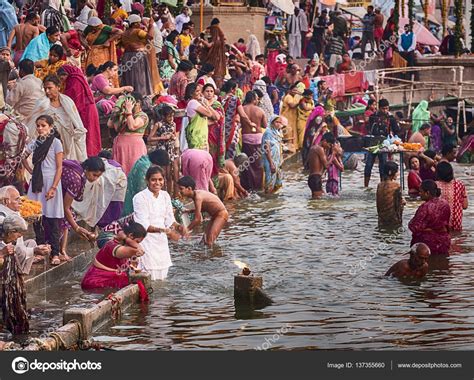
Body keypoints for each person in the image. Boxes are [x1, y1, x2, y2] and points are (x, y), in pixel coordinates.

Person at [22, 115, 63, 265]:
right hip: (37, 182)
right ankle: (40, 250)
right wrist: (31, 171)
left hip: (51, 182)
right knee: (37, 218)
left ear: (50, 127)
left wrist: (53, 188)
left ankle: (55, 253)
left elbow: (59, 167)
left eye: (43, 125)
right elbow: (23, 156)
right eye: (38, 126)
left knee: (52, 219)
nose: (40, 128)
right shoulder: (35, 143)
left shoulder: (56, 143)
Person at [133, 166, 186, 280]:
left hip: (161, 243)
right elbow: (143, 226)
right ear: (147, 181)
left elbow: (169, 219)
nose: (157, 183)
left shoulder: (165, 196)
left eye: (160, 179)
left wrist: (179, 226)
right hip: (146, 241)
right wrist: (165, 231)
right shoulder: (139, 198)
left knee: (162, 277)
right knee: (148, 275)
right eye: (153, 180)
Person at [25, 74, 87, 162]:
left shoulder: (67, 102)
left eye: (50, 88)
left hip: (66, 140)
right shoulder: (41, 104)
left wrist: (77, 133)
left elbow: (76, 121)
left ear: (58, 87)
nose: (47, 91)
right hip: (47, 141)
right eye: (45, 88)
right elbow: (33, 123)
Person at [81, 222, 146, 290]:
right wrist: (127, 239)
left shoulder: (120, 245)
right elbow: (140, 251)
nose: (137, 244)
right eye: (137, 241)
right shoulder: (115, 247)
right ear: (131, 235)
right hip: (96, 285)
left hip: (106, 284)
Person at [0, 186, 50, 272]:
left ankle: (21, 274)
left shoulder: (15, 212)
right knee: (15, 250)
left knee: (31, 243)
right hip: (5, 250)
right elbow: (8, 246)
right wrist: (34, 251)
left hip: (15, 248)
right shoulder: (2, 218)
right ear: (6, 201)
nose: (20, 202)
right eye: (16, 199)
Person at [57, 65, 102, 157]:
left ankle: (90, 155)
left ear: (67, 74)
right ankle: (91, 154)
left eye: (63, 76)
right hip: (88, 108)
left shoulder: (74, 81)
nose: (62, 78)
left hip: (85, 110)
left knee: (87, 131)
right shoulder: (76, 78)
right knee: (91, 131)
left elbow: (72, 100)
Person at [178, 175, 228, 247]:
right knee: (204, 241)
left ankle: (213, 257)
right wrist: (190, 211)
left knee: (209, 241)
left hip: (221, 214)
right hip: (215, 216)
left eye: (181, 189)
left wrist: (186, 230)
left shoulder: (198, 197)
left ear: (189, 188)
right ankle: (205, 256)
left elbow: (198, 219)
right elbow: (206, 207)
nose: (179, 191)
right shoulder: (195, 195)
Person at [121, 15, 162, 96]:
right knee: (139, 77)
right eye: (139, 23)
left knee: (130, 77)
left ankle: (130, 95)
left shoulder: (124, 33)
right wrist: (151, 26)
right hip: (137, 56)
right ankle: (140, 96)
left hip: (127, 56)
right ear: (134, 24)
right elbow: (150, 37)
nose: (140, 24)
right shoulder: (137, 31)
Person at [109, 92, 149, 175]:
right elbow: (110, 124)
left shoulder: (142, 116)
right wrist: (117, 109)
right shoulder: (124, 115)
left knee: (135, 171)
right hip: (121, 147)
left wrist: (129, 111)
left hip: (134, 148)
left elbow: (132, 126)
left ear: (138, 103)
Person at [364, 99, 401, 187]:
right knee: (369, 164)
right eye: (383, 109)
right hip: (373, 143)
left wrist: (394, 140)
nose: (385, 111)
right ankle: (366, 186)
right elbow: (369, 129)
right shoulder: (373, 117)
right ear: (379, 108)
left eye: (387, 109)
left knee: (383, 165)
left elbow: (397, 130)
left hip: (385, 143)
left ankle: (383, 185)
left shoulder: (391, 118)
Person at [408, 180, 451, 255]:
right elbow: (447, 224)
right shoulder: (445, 203)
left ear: (427, 193)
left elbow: (414, 227)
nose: (419, 193)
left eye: (421, 191)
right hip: (444, 241)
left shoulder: (425, 207)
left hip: (428, 243)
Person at [122, 149, 170, 216]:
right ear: (157, 162)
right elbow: (142, 188)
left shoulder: (145, 161)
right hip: (134, 201)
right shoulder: (144, 167)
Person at [220, 80, 256, 159]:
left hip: (221, 129)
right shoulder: (235, 99)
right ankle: (230, 166)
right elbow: (242, 115)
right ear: (232, 89)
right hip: (231, 129)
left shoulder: (220, 99)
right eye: (235, 89)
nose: (236, 91)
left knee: (221, 148)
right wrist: (250, 123)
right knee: (230, 149)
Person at [148, 105, 178, 196]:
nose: (171, 118)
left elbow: (174, 134)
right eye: (169, 116)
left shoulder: (173, 124)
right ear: (164, 116)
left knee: (171, 174)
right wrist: (163, 137)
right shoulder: (158, 124)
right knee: (164, 174)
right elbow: (149, 138)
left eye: (172, 116)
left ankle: (171, 195)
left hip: (171, 150)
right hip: (162, 150)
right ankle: (163, 194)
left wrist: (173, 137)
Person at [83, 17, 121, 88]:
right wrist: (85, 44)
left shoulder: (104, 28)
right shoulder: (89, 28)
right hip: (91, 53)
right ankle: (92, 88)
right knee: (91, 70)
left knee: (102, 69)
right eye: (94, 27)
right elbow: (81, 36)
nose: (96, 28)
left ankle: (105, 87)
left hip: (102, 53)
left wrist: (108, 41)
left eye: (97, 27)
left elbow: (119, 32)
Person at [240, 91, 266, 192]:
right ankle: (257, 187)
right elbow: (264, 125)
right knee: (258, 164)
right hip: (258, 139)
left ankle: (247, 187)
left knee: (247, 163)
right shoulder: (259, 110)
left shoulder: (242, 109)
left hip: (246, 138)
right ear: (254, 99)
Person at [436, 162, 468, 232]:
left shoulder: (434, 185)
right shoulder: (460, 185)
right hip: (456, 223)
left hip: (440, 225)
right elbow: (465, 206)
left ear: (437, 173)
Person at [202, 83, 225, 179]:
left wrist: (208, 107)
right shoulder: (199, 104)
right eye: (207, 91)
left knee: (213, 157)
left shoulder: (216, 104)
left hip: (215, 136)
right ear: (203, 93)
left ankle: (214, 181)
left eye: (211, 91)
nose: (209, 93)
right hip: (203, 134)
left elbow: (218, 118)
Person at [376, 161, 404, 227]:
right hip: (393, 221)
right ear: (390, 172)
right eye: (396, 172)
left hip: (381, 221)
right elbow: (398, 205)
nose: (397, 174)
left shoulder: (379, 185)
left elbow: (378, 205)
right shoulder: (396, 185)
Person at [307, 132, 335, 199]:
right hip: (316, 178)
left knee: (317, 200)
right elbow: (326, 165)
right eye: (329, 145)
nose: (329, 147)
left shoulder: (313, 147)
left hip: (312, 177)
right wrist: (334, 153)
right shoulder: (320, 149)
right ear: (324, 141)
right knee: (318, 203)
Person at [201, 18, 226, 88]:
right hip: (215, 62)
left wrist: (202, 40)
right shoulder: (218, 38)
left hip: (215, 62)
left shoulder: (217, 39)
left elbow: (209, 45)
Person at [262, 115, 284, 193]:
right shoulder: (268, 132)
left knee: (277, 181)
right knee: (270, 180)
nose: (278, 124)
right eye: (276, 122)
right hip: (270, 160)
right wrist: (271, 163)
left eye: (280, 122)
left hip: (277, 160)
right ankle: (267, 199)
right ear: (272, 122)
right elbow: (267, 148)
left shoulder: (278, 132)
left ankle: (273, 198)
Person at [280, 82, 304, 153]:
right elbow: (292, 105)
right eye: (294, 90)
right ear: (290, 90)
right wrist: (299, 98)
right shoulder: (288, 97)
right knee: (288, 135)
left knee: (293, 134)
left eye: (296, 91)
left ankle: (292, 149)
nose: (295, 92)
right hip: (287, 119)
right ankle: (288, 150)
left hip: (292, 119)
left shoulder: (293, 97)